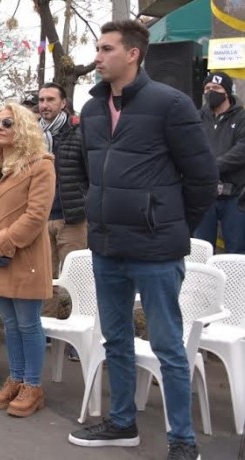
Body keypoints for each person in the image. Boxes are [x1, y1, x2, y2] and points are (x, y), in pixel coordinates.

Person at [66, 20, 217, 460]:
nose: (97, 57)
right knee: (115, 340)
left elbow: (204, 177)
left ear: (132, 54)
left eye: (106, 48)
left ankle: (182, 441)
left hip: (155, 251)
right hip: (107, 247)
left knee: (169, 346)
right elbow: (90, 172)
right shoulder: (92, 110)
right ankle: (121, 423)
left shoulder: (170, 103)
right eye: (97, 48)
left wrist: (171, 224)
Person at [0, 103, 56, 417]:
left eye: (8, 122)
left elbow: (36, 216)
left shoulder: (41, 165)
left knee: (28, 323)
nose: (0, 127)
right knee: (10, 322)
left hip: (24, 256)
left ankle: (33, 385)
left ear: (24, 128)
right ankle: (16, 379)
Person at [38, 81, 86, 281]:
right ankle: (46, 314)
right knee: (42, 284)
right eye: (41, 100)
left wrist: (85, 205)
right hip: (39, 218)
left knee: (75, 281)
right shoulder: (31, 136)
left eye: (50, 99)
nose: (44, 105)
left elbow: (92, 174)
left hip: (71, 218)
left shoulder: (79, 132)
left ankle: (74, 313)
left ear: (63, 103)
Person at [194, 71, 245, 254]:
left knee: (236, 250)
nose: (210, 92)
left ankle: (237, 283)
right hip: (204, 193)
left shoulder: (241, 118)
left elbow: (242, 150)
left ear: (227, 92)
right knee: (201, 248)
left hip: (235, 195)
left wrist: (213, 166)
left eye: (216, 88)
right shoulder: (197, 117)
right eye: (207, 88)